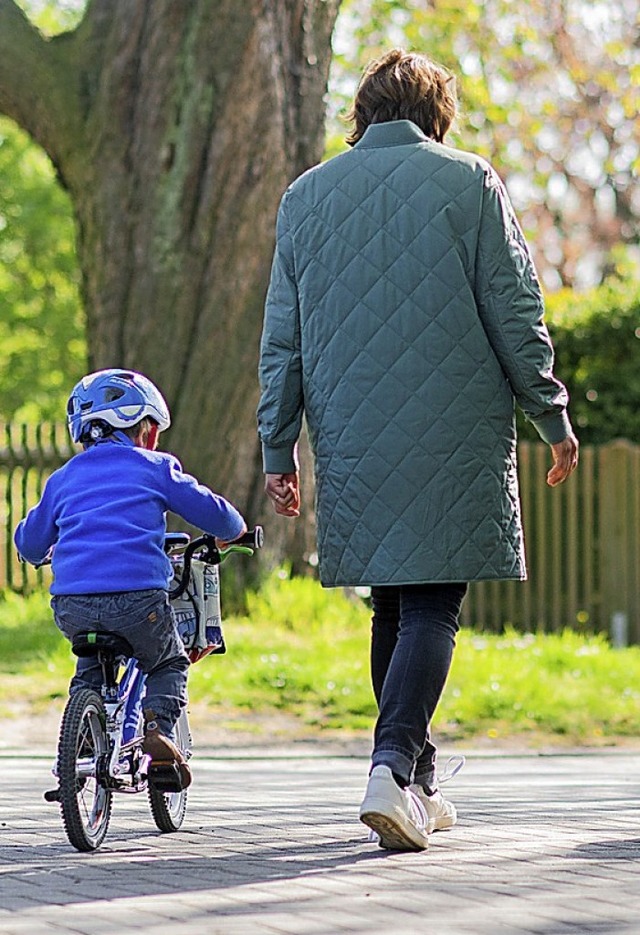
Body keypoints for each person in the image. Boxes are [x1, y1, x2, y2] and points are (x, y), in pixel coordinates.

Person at [257, 49, 579, 850]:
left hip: (352, 427)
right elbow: (514, 308)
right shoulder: (470, 182)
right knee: (433, 602)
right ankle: (391, 765)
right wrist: (551, 414)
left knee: (393, 602)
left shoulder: (305, 198)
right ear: (436, 112)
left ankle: (418, 783)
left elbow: (282, 341)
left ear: (362, 113)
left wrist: (277, 443)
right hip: (456, 421)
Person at [14, 368, 246, 788]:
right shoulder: (155, 468)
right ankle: (156, 728)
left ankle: (82, 740)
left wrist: (43, 550)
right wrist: (235, 531)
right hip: (139, 601)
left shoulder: (62, 479)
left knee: (90, 667)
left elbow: (30, 543)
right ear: (142, 429)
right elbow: (216, 514)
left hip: (73, 606)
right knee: (167, 661)